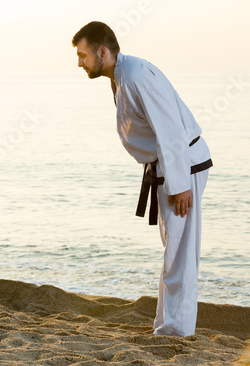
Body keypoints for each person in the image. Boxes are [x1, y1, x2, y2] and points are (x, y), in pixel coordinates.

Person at [72, 21, 212, 336]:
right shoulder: (122, 76)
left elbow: (172, 129)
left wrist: (179, 186)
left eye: (82, 55)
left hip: (183, 166)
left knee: (180, 251)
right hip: (170, 166)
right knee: (173, 250)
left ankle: (177, 329)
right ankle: (167, 324)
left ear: (102, 51)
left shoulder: (135, 76)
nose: (79, 63)